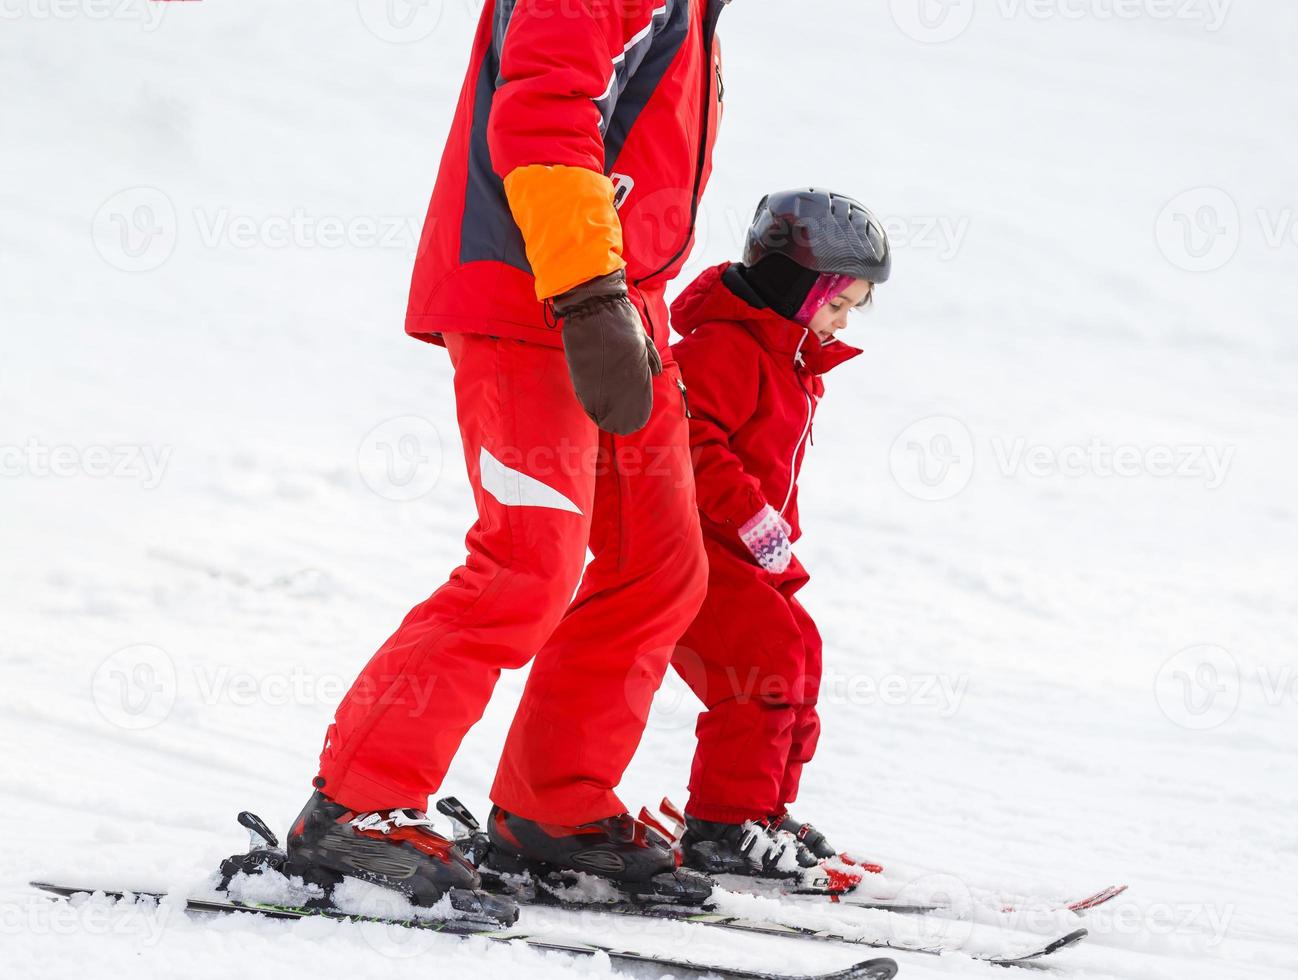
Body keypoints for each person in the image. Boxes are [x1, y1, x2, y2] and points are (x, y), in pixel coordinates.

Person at [282, 0, 729, 917]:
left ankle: (550, 812)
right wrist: (590, 291)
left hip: (621, 299)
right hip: (539, 293)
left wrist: (619, 294)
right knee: (526, 566)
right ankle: (355, 810)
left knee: (661, 569)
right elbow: (542, 108)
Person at [666, 188, 892, 881]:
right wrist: (749, 514)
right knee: (760, 666)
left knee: (801, 654)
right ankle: (723, 824)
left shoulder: (789, 360)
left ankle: (761, 810)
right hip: (702, 544)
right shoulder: (727, 349)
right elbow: (690, 439)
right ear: (792, 286)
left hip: (754, 550)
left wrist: (773, 535)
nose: (840, 322)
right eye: (834, 305)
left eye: (851, 309)